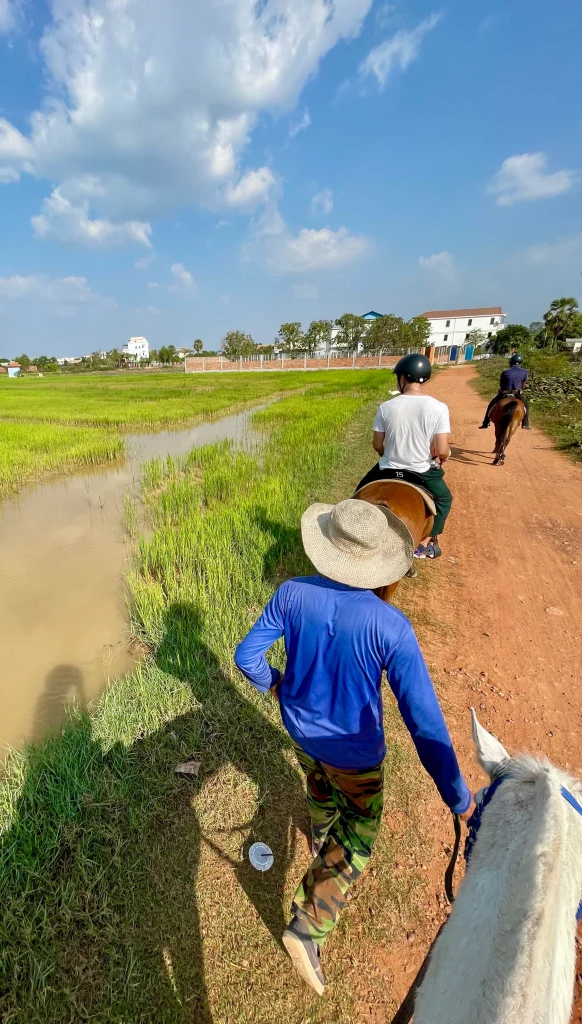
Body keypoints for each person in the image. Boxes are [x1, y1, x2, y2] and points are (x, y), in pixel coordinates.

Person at [234, 499, 473, 997]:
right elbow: (425, 724)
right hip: (357, 755)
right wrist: (458, 797)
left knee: (317, 781)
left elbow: (245, 656)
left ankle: (321, 833)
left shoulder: (291, 593)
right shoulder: (390, 627)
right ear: (379, 560)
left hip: (299, 730)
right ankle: (308, 925)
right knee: (360, 833)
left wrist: (275, 683)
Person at [354, 353, 451, 560]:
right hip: (421, 471)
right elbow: (442, 451)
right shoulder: (439, 408)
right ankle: (427, 542)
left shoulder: (386, 407)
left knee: (357, 494)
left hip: (387, 468)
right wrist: (441, 456)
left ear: (404, 378)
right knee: (444, 499)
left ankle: (351, 533)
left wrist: (385, 454)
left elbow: (377, 444)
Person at [479, 352, 531, 430]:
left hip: (504, 393)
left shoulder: (505, 372)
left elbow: (501, 383)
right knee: (526, 405)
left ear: (511, 362)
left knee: (491, 405)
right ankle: (525, 424)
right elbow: (522, 384)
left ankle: (485, 422)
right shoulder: (524, 372)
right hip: (517, 394)